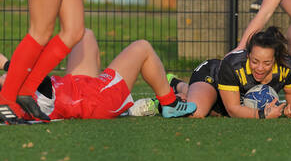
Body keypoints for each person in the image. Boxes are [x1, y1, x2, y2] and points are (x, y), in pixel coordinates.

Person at [0, 29, 197, 124]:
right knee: (142, 47)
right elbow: (25, 71)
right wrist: (7, 65)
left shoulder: (18, 95)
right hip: (95, 100)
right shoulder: (24, 93)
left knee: (84, 35)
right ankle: (169, 104)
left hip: (72, 93)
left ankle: (135, 104)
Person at [168, 27, 291, 119]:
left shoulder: (286, 66)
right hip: (211, 78)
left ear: (275, 60)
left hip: (232, 96)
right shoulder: (232, 65)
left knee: (214, 111)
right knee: (197, 112)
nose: (260, 68)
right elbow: (233, 109)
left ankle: (181, 86)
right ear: (248, 55)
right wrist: (261, 114)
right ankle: (166, 97)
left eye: (267, 63)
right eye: (255, 61)